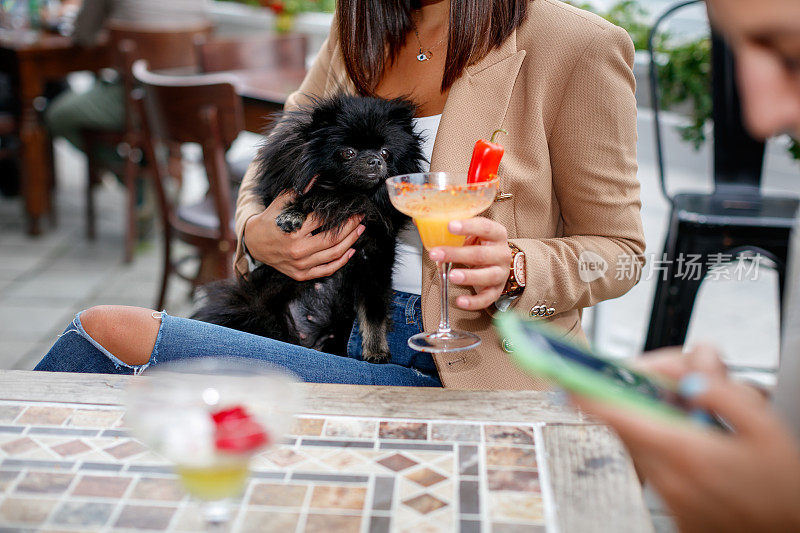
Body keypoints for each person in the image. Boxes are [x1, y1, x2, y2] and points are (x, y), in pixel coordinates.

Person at [35, 0, 645, 389]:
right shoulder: (361, 27)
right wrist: (256, 232)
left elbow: (620, 251)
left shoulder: (576, 47)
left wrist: (517, 268)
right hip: (326, 324)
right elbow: (278, 143)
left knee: (109, 332)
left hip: (479, 361)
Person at [572, 0, 800, 530]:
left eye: (791, 56)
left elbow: (618, 251)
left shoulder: (580, 45)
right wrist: (766, 411)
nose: (759, 117)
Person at [44, 0, 210, 170]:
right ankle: (156, 170)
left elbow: (83, 35)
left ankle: (131, 172)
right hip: (192, 102)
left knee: (57, 116)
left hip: (138, 102)